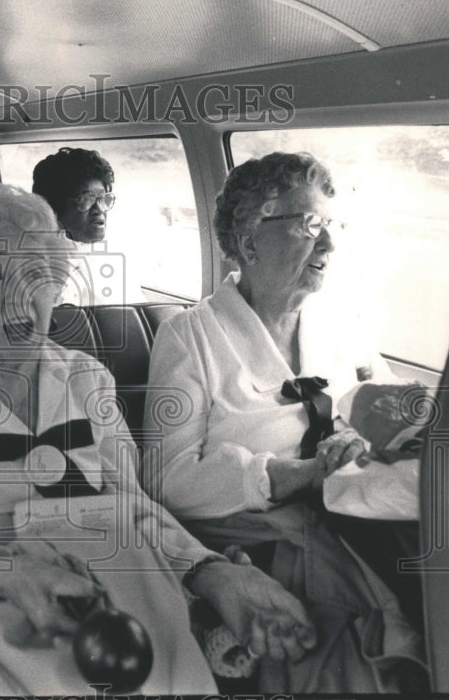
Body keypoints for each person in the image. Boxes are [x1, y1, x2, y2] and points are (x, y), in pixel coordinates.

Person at [0, 184, 316, 695]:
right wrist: (3, 573)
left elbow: (130, 505)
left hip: (115, 577)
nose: (19, 300)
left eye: (36, 278)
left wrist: (210, 572)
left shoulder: (87, 378)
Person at [142, 152, 427, 693]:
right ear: (250, 242)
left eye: (330, 225)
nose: (329, 245)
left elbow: (394, 413)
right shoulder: (189, 336)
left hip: (365, 511)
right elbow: (165, 477)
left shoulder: (344, 322)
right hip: (270, 534)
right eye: (309, 225)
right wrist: (291, 475)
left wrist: (382, 433)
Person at [32, 146, 144, 305]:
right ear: (54, 210)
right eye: (87, 200)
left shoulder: (116, 261)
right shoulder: (41, 271)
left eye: (104, 199)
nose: (99, 210)